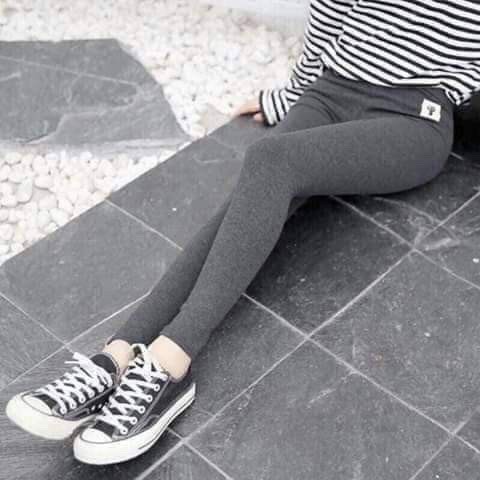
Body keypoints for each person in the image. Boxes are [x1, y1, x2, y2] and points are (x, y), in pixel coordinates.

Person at [6, 0, 480, 466]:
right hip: (329, 92)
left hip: (410, 117)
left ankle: (171, 361)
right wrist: (290, 97)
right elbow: (331, 12)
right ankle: (115, 358)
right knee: (250, 202)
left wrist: (451, 91)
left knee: (270, 163)